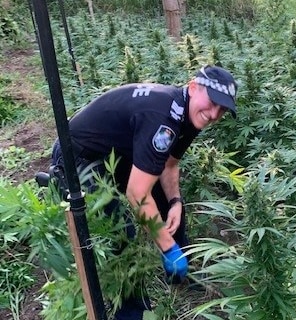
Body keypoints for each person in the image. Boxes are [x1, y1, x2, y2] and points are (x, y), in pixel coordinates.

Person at [49, 65, 238, 320]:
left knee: (164, 201)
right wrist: (167, 246)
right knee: (119, 231)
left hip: (114, 152)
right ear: (193, 87)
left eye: (223, 109)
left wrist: (175, 201)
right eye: (213, 102)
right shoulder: (163, 117)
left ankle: (183, 274)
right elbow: (137, 194)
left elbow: (169, 163)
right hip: (78, 156)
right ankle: (131, 312)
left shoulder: (189, 112)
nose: (214, 114)